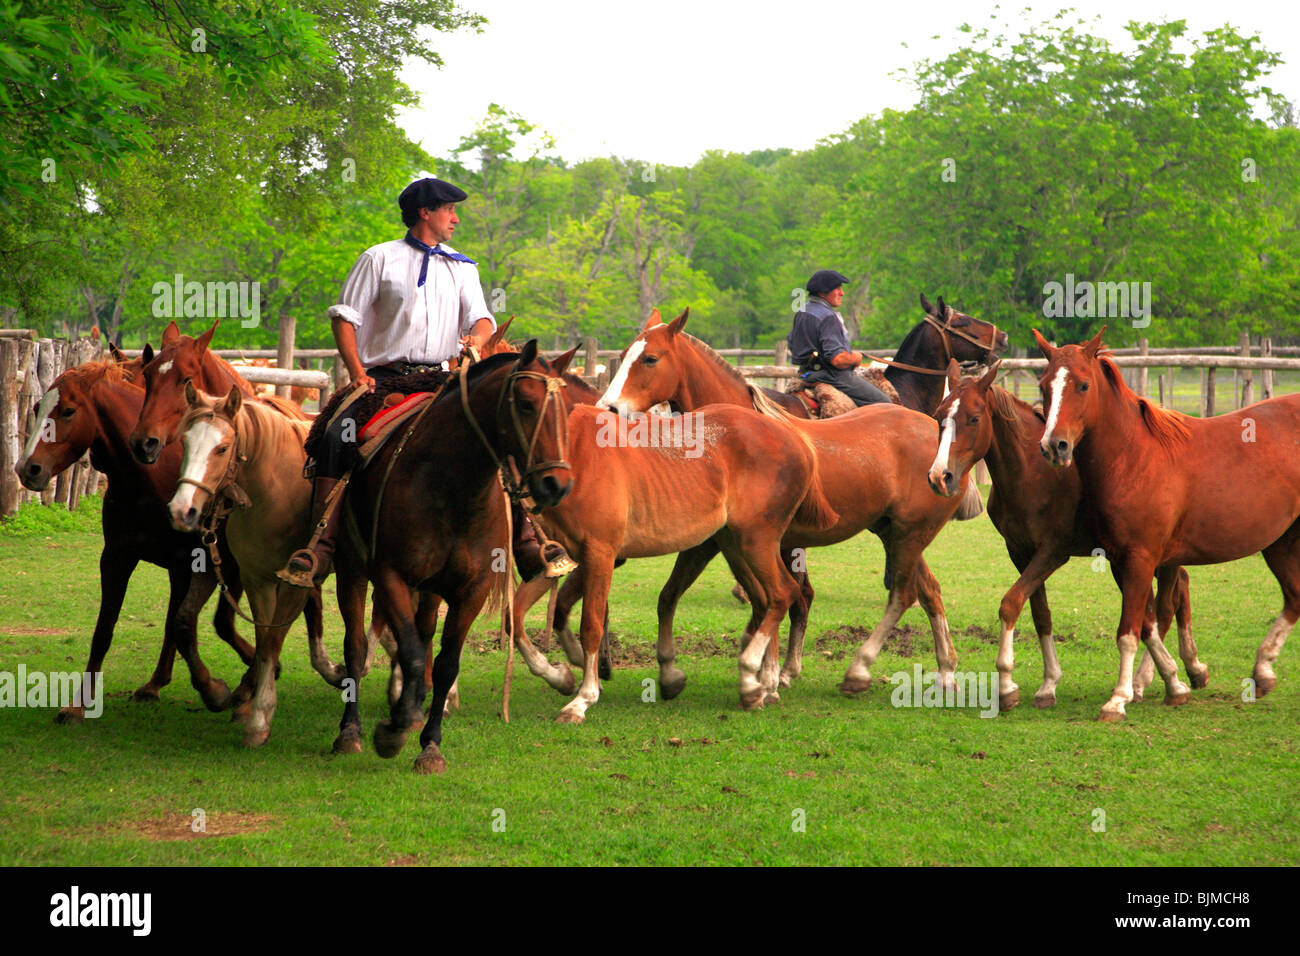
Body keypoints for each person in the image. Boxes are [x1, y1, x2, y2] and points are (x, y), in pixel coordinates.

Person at [278, 176, 572, 587]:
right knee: (335, 435)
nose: (455, 219)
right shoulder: (378, 258)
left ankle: (527, 540)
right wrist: (358, 373)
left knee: (496, 430)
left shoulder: (462, 266)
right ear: (425, 212)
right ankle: (320, 545)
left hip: (444, 378)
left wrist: (479, 337)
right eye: (449, 210)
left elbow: (482, 318)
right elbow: (345, 318)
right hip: (382, 379)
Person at [788, 269, 891, 406]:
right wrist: (856, 357)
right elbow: (837, 359)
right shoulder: (828, 316)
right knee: (885, 404)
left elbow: (792, 343)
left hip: (805, 373)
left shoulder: (802, 311)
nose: (841, 293)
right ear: (823, 292)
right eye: (837, 288)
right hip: (832, 376)